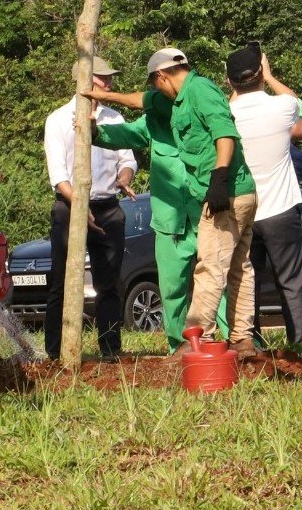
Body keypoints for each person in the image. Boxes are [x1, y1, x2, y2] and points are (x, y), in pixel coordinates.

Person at [89, 48, 257, 350]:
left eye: (156, 86)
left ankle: (209, 339)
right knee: (181, 285)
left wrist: (219, 179)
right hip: (173, 219)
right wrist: (97, 107)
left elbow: (224, 133)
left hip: (211, 202)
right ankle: (189, 343)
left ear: (163, 77)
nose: (155, 94)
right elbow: (134, 106)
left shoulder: (195, 95)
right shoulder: (159, 112)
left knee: (214, 275)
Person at [42, 57, 136, 360]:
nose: (108, 84)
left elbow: (128, 160)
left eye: (109, 78)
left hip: (108, 208)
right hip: (70, 208)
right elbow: (59, 177)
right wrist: (81, 208)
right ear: (82, 79)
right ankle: (56, 354)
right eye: (101, 79)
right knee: (60, 282)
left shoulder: (115, 118)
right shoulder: (57, 120)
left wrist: (124, 179)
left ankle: (110, 350)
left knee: (108, 284)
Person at [225, 43, 302, 353]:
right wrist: (271, 76)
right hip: (281, 209)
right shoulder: (281, 108)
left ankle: (253, 342)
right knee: (291, 281)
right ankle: (299, 344)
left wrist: (233, 90)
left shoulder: (227, 114)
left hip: (242, 209)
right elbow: (295, 105)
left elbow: (227, 104)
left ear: (229, 81)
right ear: (261, 73)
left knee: (245, 280)